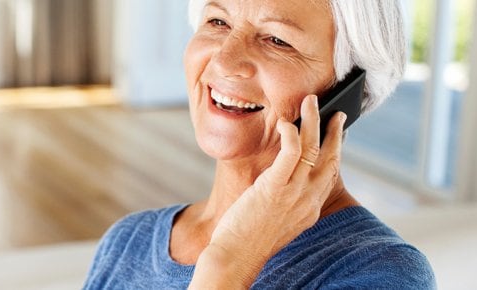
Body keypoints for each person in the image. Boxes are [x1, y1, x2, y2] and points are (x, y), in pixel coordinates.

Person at [84, 0, 435, 289]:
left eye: (277, 40)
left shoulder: (384, 274)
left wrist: (231, 262)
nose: (224, 61)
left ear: (349, 90)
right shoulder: (130, 241)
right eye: (219, 21)